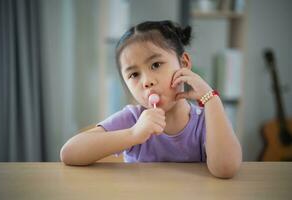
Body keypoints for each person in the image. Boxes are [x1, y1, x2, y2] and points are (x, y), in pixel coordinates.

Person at [60, 20, 242, 178]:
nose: (147, 81)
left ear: (184, 63)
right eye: (134, 75)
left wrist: (211, 100)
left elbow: (226, 169)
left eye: (156, 65)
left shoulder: (205, 120)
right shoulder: (133, 119)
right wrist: (133, 134)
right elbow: (69, 153)